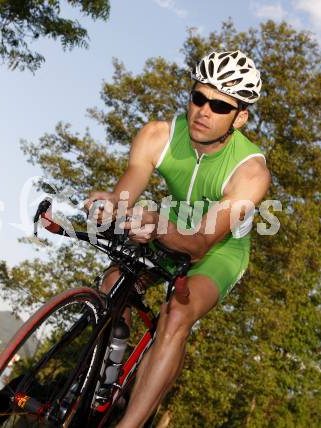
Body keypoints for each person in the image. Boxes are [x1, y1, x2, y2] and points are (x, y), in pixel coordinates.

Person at [85, 50, 271, 427]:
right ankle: (103, 376)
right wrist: (112, 206)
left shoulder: (251, 172)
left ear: (240, 117)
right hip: (167, 224)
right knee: (111, 284)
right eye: (198, 97)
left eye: (219, 105)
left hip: (219, 249)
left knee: (177, 313)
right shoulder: (159, 135)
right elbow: (127, 193)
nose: (204, 110)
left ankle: (129, 424)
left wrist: (153, 224)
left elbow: (202, 242)